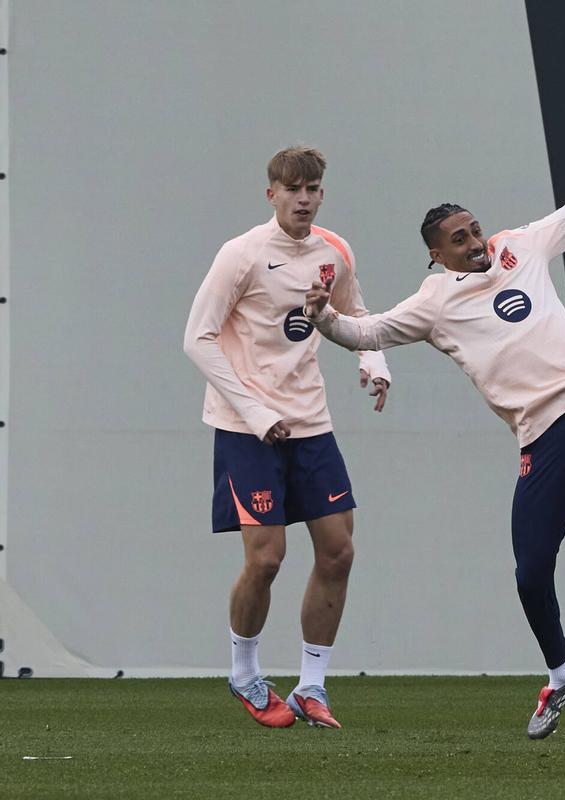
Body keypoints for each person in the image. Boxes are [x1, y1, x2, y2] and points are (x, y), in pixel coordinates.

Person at [303, 151, 565, 738]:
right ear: (437, 254)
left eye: (475, 229)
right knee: (531, 571)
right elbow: (368, 330)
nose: (476, 242)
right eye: (459, 239)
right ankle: (562, 677)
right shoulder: (433, 303)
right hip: (546, 438)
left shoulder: (518, 246)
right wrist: (325, 317)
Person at [183, 145, 391, 729]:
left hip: (309, 422)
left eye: (313, 188)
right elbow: (197, 338)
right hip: (247, 428)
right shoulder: (241, 255)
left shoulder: (334, 251)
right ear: (271, 193)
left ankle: (312, 686)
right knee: (268, 559)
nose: (303, 198)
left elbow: (357, 317)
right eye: (292, 189)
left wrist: (375, 366)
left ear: (322, 193)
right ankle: (245, 673)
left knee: (339, 550)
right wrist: (252, 411)